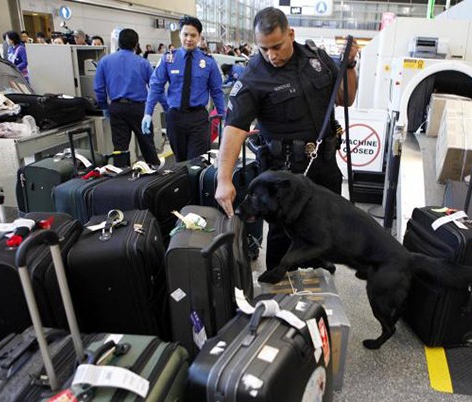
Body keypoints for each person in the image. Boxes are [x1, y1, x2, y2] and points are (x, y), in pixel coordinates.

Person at [214, 6, 358, 274]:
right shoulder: (253, 76)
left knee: (324, 227)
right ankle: (279, 292)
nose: (271, 55)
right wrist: (223, 179)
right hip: (284, 174)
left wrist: (348, 65)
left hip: (324, 166)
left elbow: (344, 98)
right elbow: (234, 129)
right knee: (283, 236)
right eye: (263, 49)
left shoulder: (318, 59)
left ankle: (320, 282)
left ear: (290, 34)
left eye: (277, 46)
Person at [143, 16, 225, 162]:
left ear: (199, 37)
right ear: (180, 34)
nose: (189, 39)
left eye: (193, 35)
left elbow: (217, 90)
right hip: (175, 118)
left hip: (198, 119)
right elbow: (156, 86)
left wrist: (222, 115)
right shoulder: (169, 59)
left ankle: (195, 184)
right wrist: (148, 112)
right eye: (185, 34)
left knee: (196, 162)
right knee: (180, 162)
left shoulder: (208, 62)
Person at [94, 28, 164, 167]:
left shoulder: (105, 61)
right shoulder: (143, 63)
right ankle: (154, 172)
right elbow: (156, 87)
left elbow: (99, 89)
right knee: (147, 144)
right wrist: (166, 106)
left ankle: (121, 176)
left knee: (120, 148)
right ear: (136, 44)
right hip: (139, 109)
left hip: (117, 108)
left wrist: (105, 108)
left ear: (118, 43)